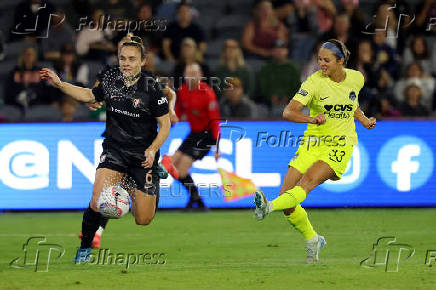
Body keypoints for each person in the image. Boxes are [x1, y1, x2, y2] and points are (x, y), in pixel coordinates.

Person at [40, 38, 171, 262]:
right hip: (115, 149)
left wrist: (153, 149)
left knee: (143, 219)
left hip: (143, 156)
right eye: (122, 58)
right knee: (96, 200)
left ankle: (145, 179)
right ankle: (84, 248)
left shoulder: (151, 87)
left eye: (132, 59)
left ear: (143, 61)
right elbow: (90, 96)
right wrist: (60, 84)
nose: (126, 63)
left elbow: (165, 125)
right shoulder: (110, 78)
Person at [253, 39, 376, 263]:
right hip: (312, 142)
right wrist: (311, 118)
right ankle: (313, 239)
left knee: (306, 183)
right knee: (287, 201)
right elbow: (288, 112)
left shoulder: (357, 78)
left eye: (326, 60)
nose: (321, 64)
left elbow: (352, 101)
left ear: (341, 61)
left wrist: (363, 119)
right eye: (319, 59)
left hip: (340, 144)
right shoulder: (314, 82)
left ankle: (267, 207)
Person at [161, 63, 220, 211]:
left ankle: (195, 199)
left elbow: (215, 120)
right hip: (194, 134)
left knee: (182, 169)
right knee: (170, 165)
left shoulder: (207, 93)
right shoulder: (183, 91)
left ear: (200, 76)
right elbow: (179, 112)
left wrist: (217, 146)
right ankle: (197, 200)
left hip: (207, 136)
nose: (191, 76)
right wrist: (169, 124)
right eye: (188, 73)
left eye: (194, 73)